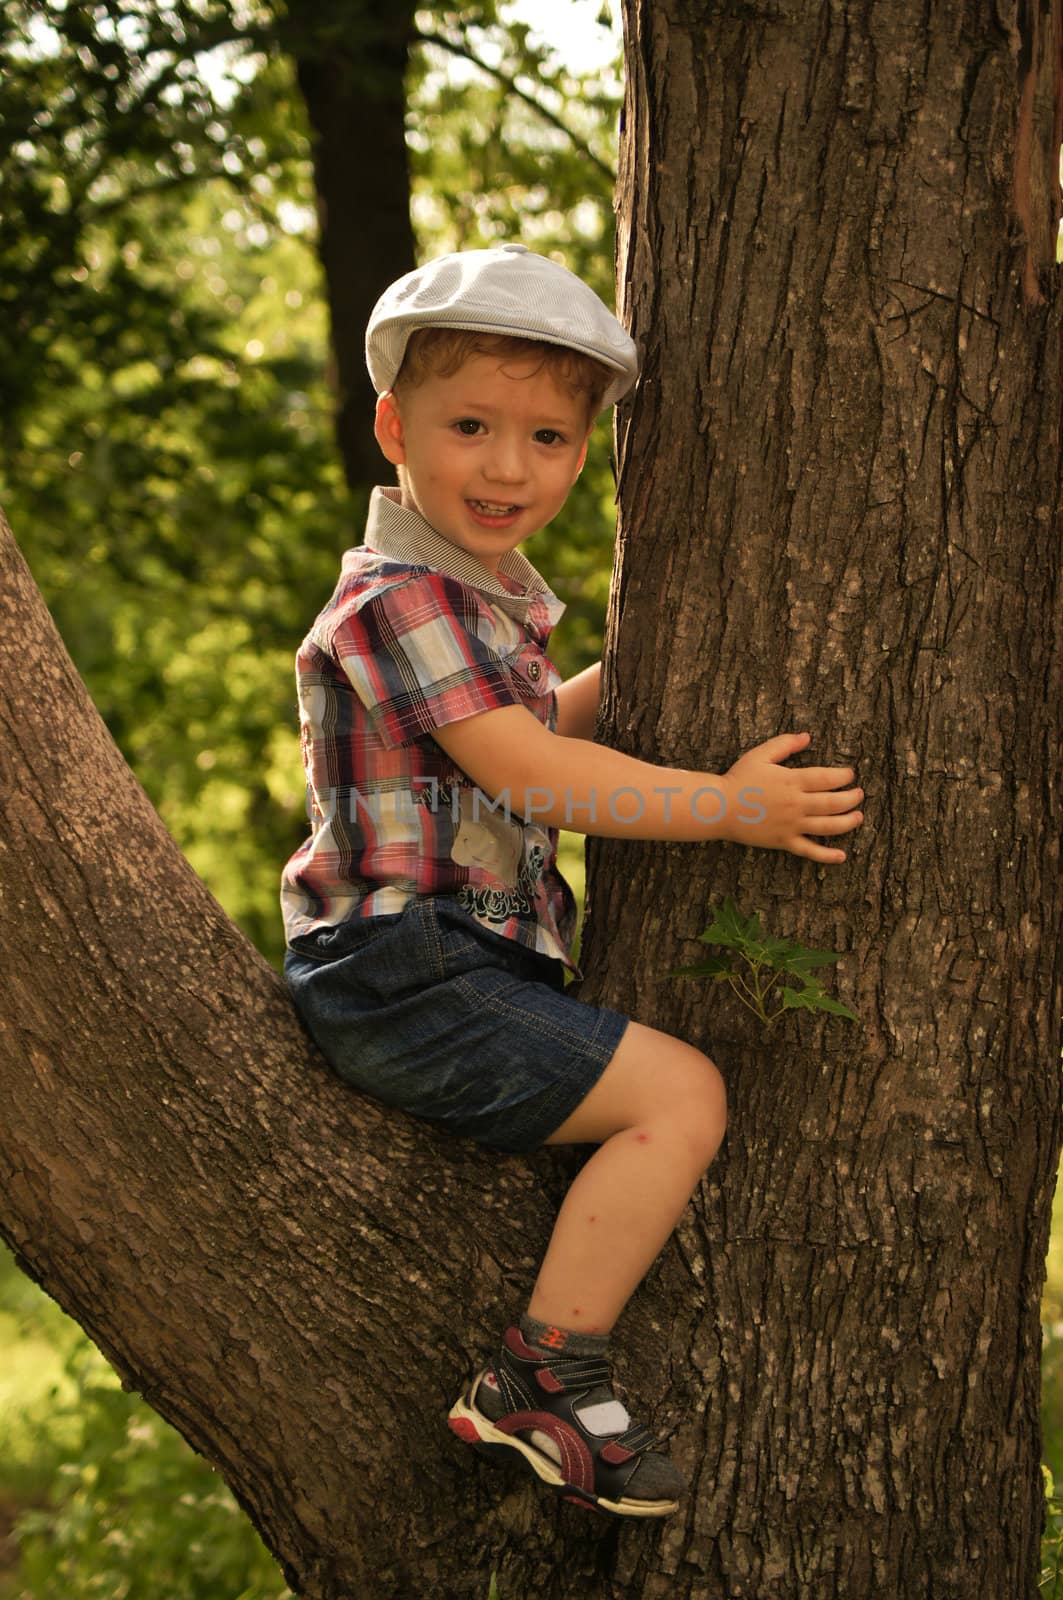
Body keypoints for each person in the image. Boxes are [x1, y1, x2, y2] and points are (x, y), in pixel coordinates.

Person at [280, 243, 864, 1519]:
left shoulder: (477, 606)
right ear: (393, 424)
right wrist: (727, 809)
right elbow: (539, 775)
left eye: (547, 438)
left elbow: (538, 726)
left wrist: (658, 691)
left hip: (449, 959)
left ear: (585, 446)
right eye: (471, 426)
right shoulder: (398, 602)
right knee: (681, 1095)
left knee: (664, 1088)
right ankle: (543, 1371)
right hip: (400, 966)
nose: (506, 466)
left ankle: (546, 1366)